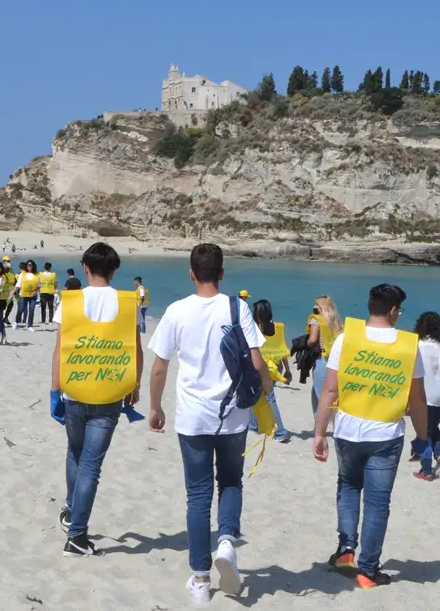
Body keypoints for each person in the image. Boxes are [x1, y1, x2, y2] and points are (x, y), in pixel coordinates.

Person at [147, 244, 272, 605]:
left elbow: (159, 367)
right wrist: (266, 394)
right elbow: (257, 361)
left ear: (191, 273)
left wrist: (155, 407)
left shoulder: (175, 311)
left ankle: (201, 579)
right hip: (233, 416)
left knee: (198, 495)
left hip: (192, 417)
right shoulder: (237, 307)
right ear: (221, 273)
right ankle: (228, 542)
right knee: (230, 481)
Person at [313, 284, 429, 589]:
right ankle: (367, 570)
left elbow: (330, 389)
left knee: (349, 486)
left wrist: (319, 432)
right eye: (399, 311)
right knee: (378, 502)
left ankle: (346, 551)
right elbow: (418, 399)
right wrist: (422, 437)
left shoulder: (345, 339)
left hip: (348, 430)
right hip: (386, 434)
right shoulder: (408, 346)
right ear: (392, 311)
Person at [49, 242, 143, 556]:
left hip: (73, 389)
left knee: (75, 452)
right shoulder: (128, 302)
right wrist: (135, 387)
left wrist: (54, 391)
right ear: (114, 270)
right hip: (110, 392)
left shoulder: (71, 300)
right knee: (91, 464)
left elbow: (60, 350)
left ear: (86, 268)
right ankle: (76, 535)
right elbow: (136, 350)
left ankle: (70, 509)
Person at [412, 311, 440, 480]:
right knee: (431, 427)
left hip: (427, 395)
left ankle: (426, 470)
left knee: (425, 431)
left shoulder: (419, 346)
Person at [250, 299, 291, 443]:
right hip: (276, 366)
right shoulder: (279, 327)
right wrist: (287, 370)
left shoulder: (254, 329)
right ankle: (254, 425)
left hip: (261, 366)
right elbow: (283, 349)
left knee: (266, 397)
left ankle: (279, 431)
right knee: (261, 395)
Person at [309, 296, 343, 415]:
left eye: (317, 305)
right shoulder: (337, 320)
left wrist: (304, 344)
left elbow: (312, 340)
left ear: (322, 307)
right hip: (336, 359)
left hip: (322, 359)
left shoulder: (316, 320)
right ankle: (317, 425)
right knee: (319, 393)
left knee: (322, 396)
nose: (314, 307)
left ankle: (321, 429)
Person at [15, 259, 40, 332]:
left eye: (30, 265)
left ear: (33, 266)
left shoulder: (37, 275)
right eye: (28, 265)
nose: (29, 266)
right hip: (23, 295)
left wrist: (35, 291)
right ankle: (16, 321)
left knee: (31, 310)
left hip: (33, 296)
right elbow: (18, 285)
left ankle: (30, 326)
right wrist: (13, 293)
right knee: (21, 309)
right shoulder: (22, 274)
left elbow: (39, 285)